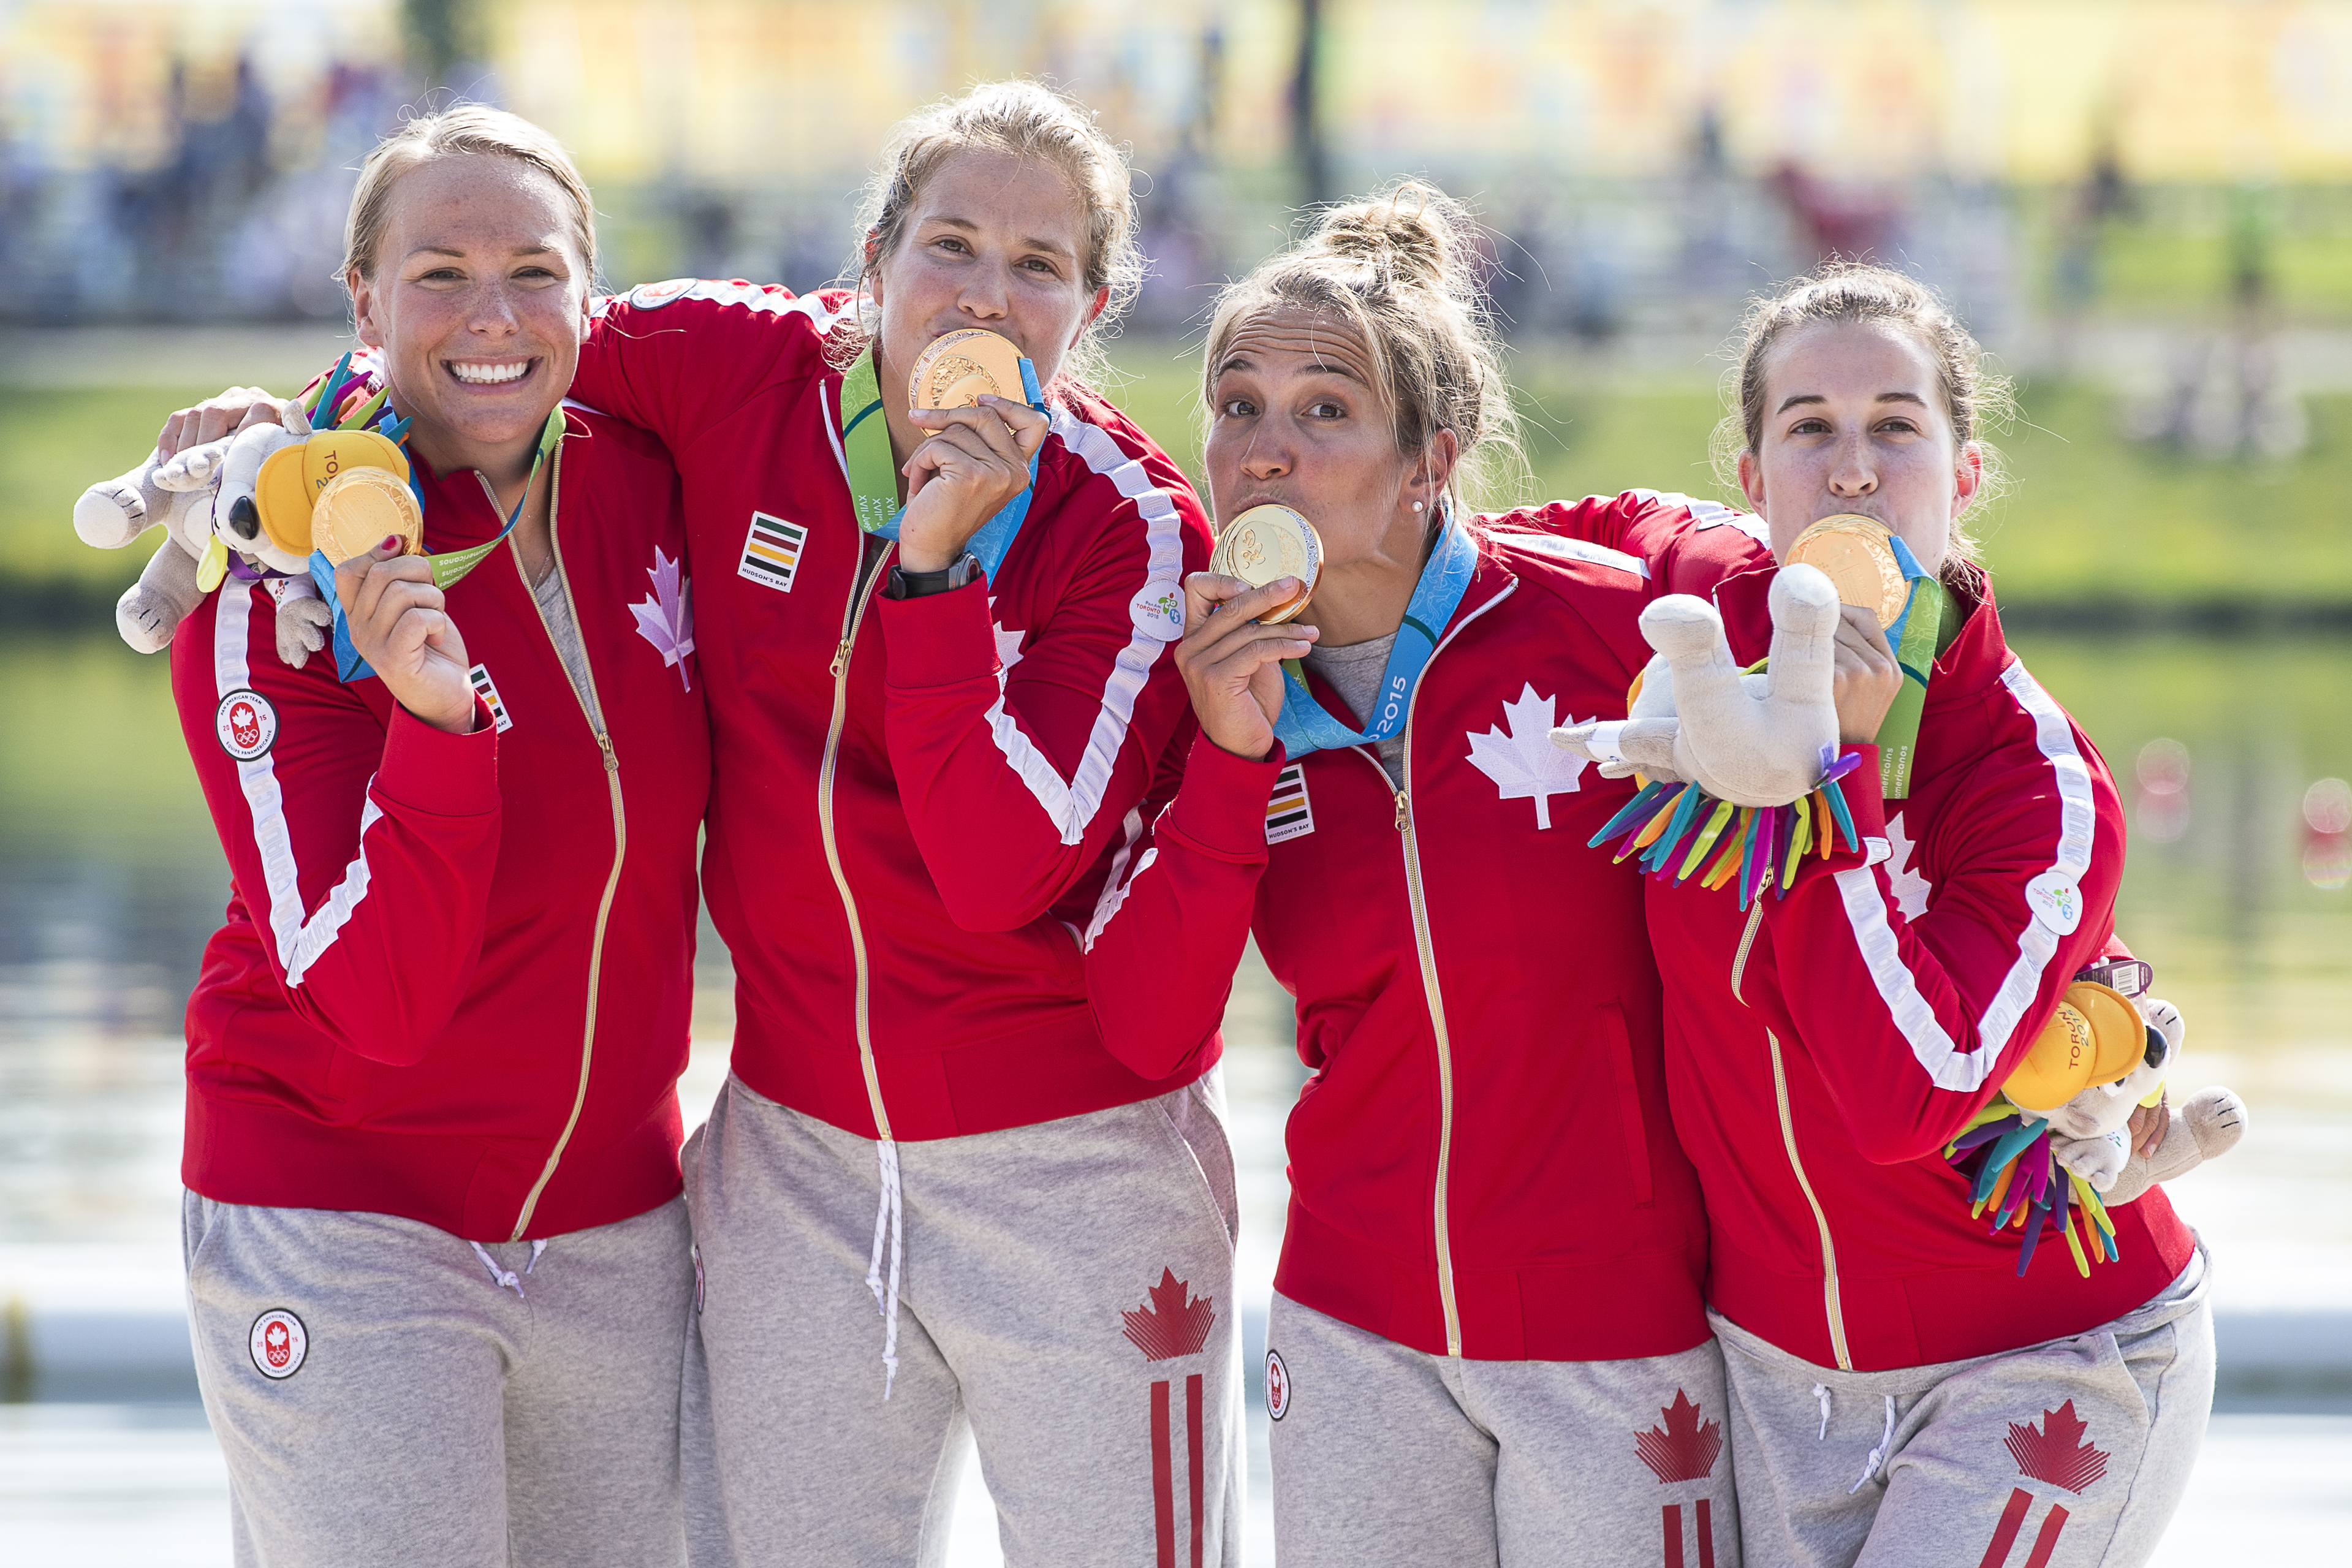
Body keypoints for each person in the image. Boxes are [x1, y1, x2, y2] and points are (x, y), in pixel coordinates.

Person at [564, 81, 1234, 1566]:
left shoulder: (1128, 525)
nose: (987, 293)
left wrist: (931, 575)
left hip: (1074, 1169)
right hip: (791, 1162)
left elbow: (997, 871)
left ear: (1089, 307)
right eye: (951, 244)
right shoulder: (737, 365)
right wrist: (306, 425)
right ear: (873, 259)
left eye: (1037, 265)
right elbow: (492, 342)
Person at [1082, 181, 1769, 1567]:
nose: (1264, 450)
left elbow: (1828, 796)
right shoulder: (1194, 685)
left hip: (1618, 1326)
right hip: (1355, 1330)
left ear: (1428, 461)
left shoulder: (1610, 629)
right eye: (1236, 405)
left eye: (1324, 410)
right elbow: (1147, 1029)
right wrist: (1228, 761)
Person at [159, 107, 708, 1567]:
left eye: (534, 271)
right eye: (440, 273)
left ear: (593, 294)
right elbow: (376, 1004)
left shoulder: (657, 475)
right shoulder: (272, 584)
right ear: (364, 299)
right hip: (341, 1214)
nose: (492, 317)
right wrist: (437, 728)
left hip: (616, 1227)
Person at [1607, 265, 2210, 1568]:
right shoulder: (1699, 630)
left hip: (2040, 1358)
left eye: (1894, 427)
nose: (1850, 471)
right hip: (1770, 1379)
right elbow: (1578, 525)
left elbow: (1906, 1100)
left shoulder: (2034, 782)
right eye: (1808, 429)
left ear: (1963, 471)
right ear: (1751, 477)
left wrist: (1831, 783)